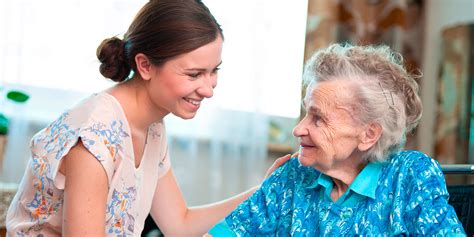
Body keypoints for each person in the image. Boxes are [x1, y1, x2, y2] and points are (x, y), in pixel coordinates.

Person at [6, 0, 291, 236]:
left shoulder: (151, 125)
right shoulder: (94, 138)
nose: (208, 89)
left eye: (214, 70)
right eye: (193, 74)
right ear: (144, 65)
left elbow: (179, 224)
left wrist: (264, 193)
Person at [208, 43, 466, 236]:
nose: (298, 129)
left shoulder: (410, 176)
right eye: (305, 113)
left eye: (318, 118)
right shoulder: (293, 174)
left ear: (368, 134)